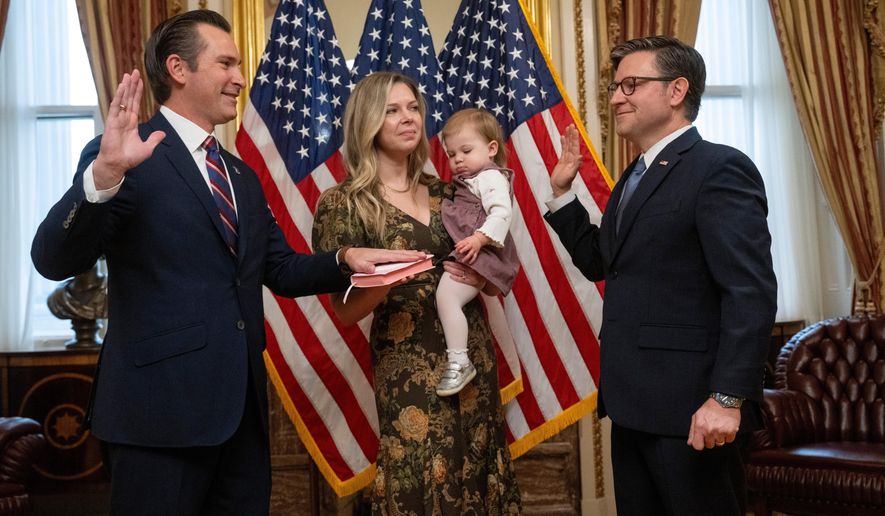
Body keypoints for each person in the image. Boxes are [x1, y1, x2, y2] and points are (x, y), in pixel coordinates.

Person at [30, 10, 422, 515]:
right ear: (178, 68)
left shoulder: (239, 174)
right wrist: (103, 175)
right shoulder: (124, 156)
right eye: (227, 64)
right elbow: (51, 258)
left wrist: (347, 258)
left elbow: (280, 270)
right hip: (158, 417)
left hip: (241, 419)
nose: (240, 78)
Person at [545, 36, 777, 515]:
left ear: (676, 91)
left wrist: (726, 397)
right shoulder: (634, 175)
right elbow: (603, 263)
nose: (614, 98)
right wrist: (563, 194)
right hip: (631, 405)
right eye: (614, 86)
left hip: (693, 410)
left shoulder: (719, 168)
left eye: (631, 84)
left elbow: (749, 294)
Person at [312, 71, 521, 514]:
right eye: (392, 110)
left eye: (412, 108)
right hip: (407, 365)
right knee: (418, 482)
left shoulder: (451, 192)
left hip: (471, 358)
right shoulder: (343, 203)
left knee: (479, 474)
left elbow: (494, 260)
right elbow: (344, 313)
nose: (408, 118)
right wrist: (388, 278)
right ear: (367, 122)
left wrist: (478, 270)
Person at [435, 108, 519, 397]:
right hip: (474, 251)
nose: (457, 159)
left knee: (446, 297)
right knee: (447, 298)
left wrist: (479, 239)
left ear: (491, 148)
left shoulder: (491, 178)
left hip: (480, 252)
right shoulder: (470, 181)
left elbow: (501, 212)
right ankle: (458, 359)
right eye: (451, 154)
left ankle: (459, 360)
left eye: (466, 150)